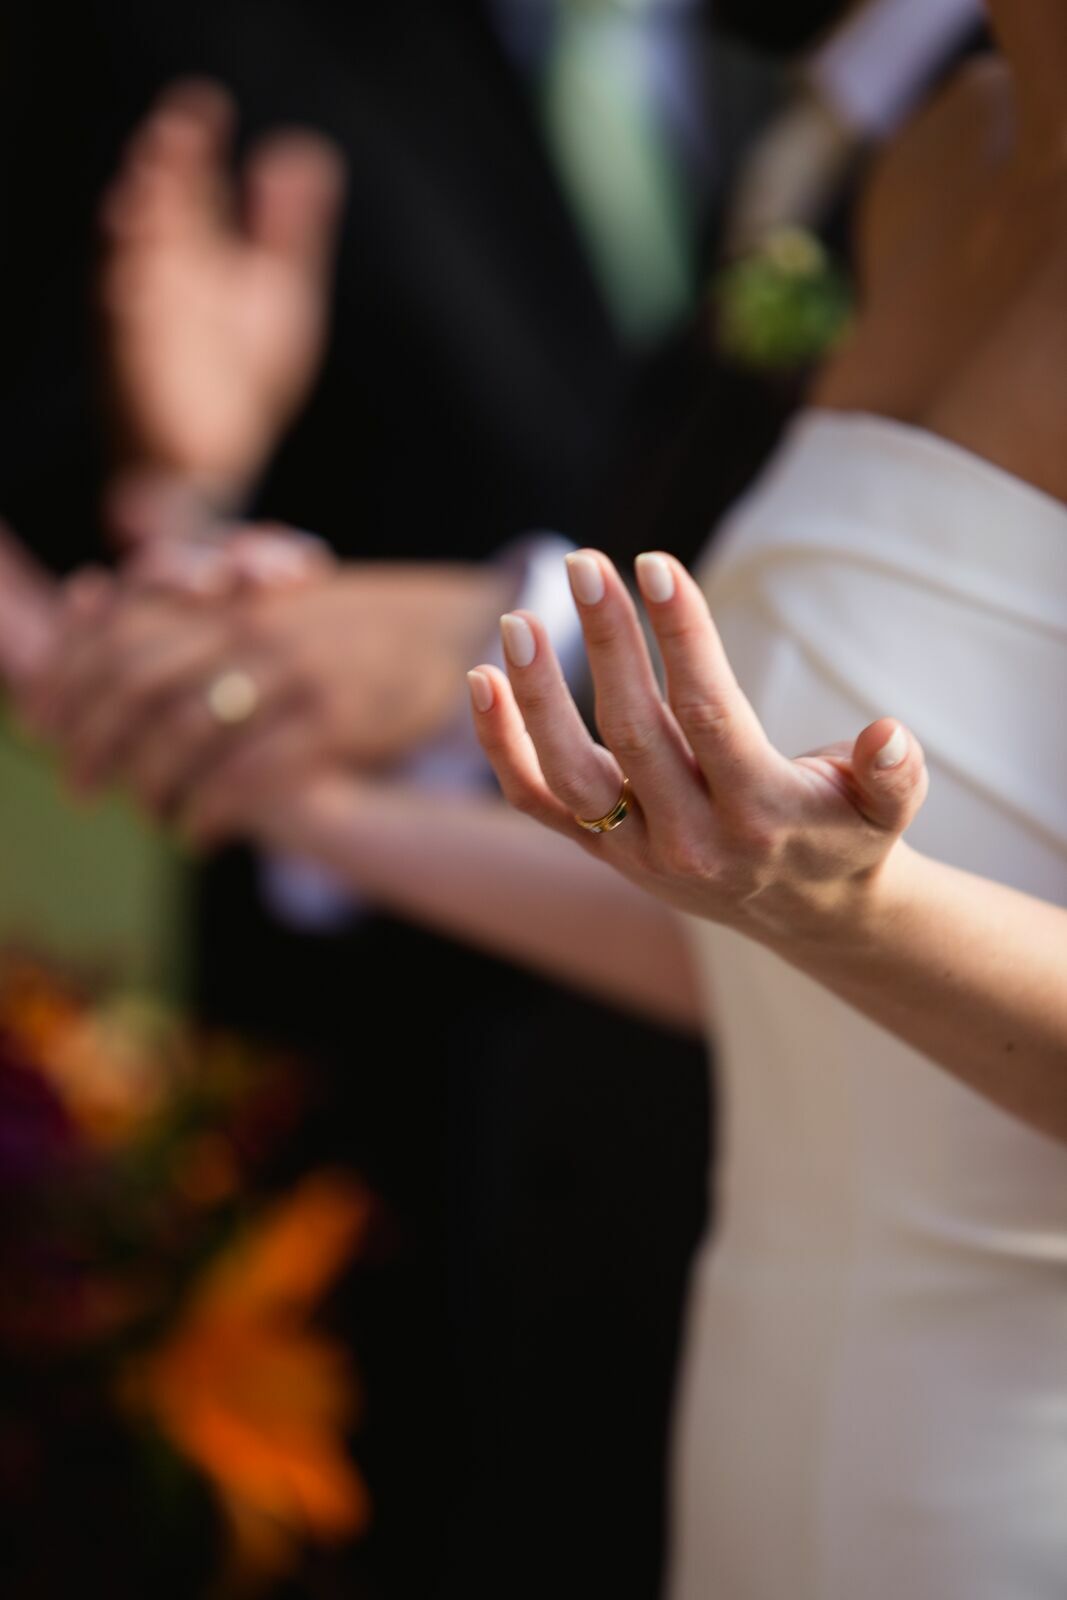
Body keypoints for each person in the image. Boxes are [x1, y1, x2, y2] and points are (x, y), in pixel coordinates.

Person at [19, 1, 1067, 1593]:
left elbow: (847, 914)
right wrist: (306, 798)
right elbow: (761, 943)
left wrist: (860, 906)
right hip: (757, 1462)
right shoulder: (940, 160)